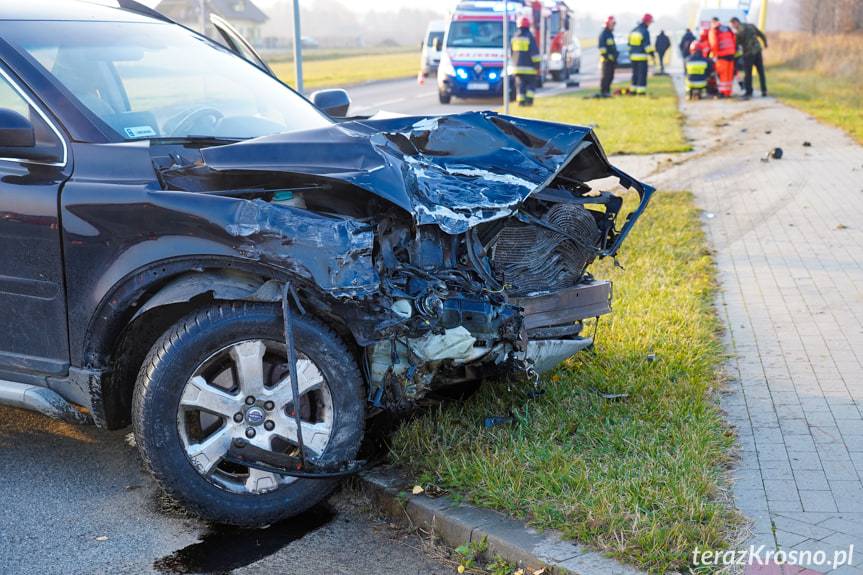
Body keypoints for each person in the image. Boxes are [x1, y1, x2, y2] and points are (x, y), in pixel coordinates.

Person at [730, 16, 768, 98]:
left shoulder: (739, 32)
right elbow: (761, 34)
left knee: (748, 73)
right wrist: (765, 44)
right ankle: (764, 91)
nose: (733, 27)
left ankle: (749, 92)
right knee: (761, 72)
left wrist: (733, 54)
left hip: (748, 54)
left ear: (735, 22)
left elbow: (736, 44)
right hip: (758, 51)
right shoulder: (751, 26)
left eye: (732, 25)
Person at [511, 17, 541, 106]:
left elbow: (511, 52)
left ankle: (521, 102)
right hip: (529, 68)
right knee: (531, 84)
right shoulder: (529, 36)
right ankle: (529, 101)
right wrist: (537, 66)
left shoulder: (514, 37)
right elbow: (534, 53)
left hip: (517, 68)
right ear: (528, 26)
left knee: (520, 85)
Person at [708, 17, 737, 97]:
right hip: (731, 53)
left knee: (722, 74)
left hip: (721, 55)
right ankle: (728, 92)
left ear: (712, 22)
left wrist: (715, 54)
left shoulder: (714, 30)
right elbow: (734, 39)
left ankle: (723, 92)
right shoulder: (727, 28)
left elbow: (714, 43)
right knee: (729, 74)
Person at [628, 13, 655, 95]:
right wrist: (652, 54)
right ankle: (641, 92)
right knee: (642, 75)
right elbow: (647, 46)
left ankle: (633, 91)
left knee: (635, 74)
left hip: (633, 57)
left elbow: (629, 45)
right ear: (647, 22)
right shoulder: (645, 31)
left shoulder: (633, 31)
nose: (650, 24)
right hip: (641, 58)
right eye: (650, 22)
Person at [597, 16, 618, 97]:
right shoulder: (604, 34)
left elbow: (612, 46)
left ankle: (607, 91)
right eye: (612, 24)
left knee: (610, 76)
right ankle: (604, 92)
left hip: (611, 60)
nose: (613, 26)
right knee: (606, 76)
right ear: (608, 24)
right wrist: (607, 56)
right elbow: (602, 47)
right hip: (606, 60)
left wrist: (615, 56)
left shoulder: (610, 34)